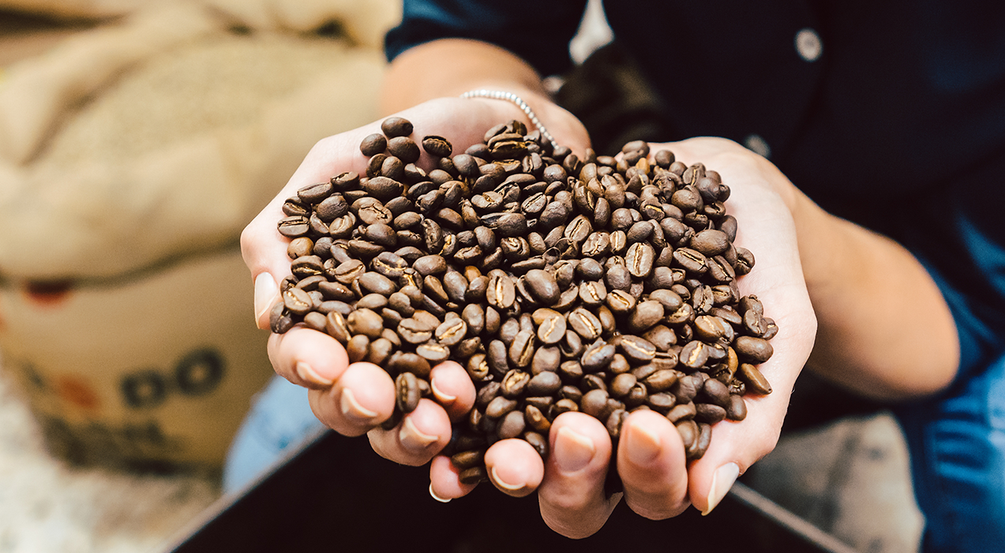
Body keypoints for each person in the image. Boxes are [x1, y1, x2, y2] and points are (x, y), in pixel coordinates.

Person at [232, 2, 1005, 551]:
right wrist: (507, 113)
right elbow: (461, 33)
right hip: (649, 147)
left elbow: (954, 313)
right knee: (272, 467)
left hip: (938, 260)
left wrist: (792, 229)